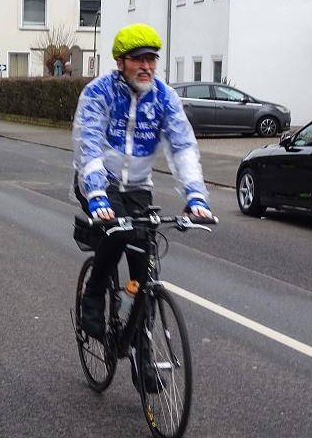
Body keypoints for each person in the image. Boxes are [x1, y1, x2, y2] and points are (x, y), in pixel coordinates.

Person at [72, 23, 215, 340]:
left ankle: (143, 351)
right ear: (121, 62)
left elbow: (182, 147)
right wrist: (96, 195)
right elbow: (89, 145)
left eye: (152, 59)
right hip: (100, 181)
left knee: (143, 266)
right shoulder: (99, 93)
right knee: (117, 233)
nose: (147, 66)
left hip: (138, 186)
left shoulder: (164, 97)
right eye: (138, 59)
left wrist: (196, 197)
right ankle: (93, 295)